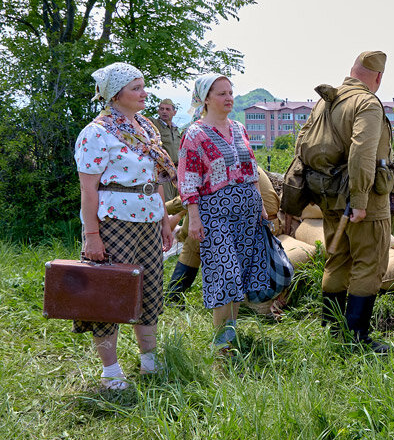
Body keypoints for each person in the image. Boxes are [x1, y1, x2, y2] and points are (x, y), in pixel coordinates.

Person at [74, 62, 175, 389]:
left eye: (143, 86)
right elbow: (88, 190)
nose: (144, 93)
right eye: (136, 88)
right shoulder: (97, 132)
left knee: (149, 291)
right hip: (113, 222)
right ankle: (111, 373)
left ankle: (149, 362)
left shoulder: (147, 128)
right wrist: (92, 236)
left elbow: (156, 178)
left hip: (148, 220)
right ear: (115, 95)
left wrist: (164, 220)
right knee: (110, 294)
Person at [300, 51, 394, 351]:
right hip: (362, 202)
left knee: (337, 258)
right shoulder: (366, 102)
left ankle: (332, 329)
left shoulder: (326, 101)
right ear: (378, 77)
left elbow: (303, 143)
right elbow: (362, 152)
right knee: (369, 263)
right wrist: (361, 199)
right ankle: (357, 338)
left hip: (329, 198)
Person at [177, 74, 271, 349]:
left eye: (230, 92)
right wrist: (193, 217)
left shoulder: (239, 128)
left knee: (240, 274)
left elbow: (250, 169)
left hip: (248, 210)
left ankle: (230, 334)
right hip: (214, 213)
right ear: (205, 98)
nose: (229, 98)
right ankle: (221, 343)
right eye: (221, 94)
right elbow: (188, 179)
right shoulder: (195, 134)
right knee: (225, 274)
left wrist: (262, 207)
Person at [164, 164, 280, 306]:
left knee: (195, 241)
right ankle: (174, 293)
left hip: (257, 221)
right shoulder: (232, 153)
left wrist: (160, 209)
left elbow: (188, 197)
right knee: (197, 225)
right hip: (259, 217)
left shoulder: (215, 162)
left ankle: (174, 294)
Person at [150, 98, 182, 202]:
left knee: (179, 202)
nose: (164, 111)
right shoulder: (154, 125)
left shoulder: (176, 130)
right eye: (161, 109)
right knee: (166, 203)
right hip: (163, 171)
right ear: (158, 111)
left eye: (168, 109)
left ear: (174, 112)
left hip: (178, 171)